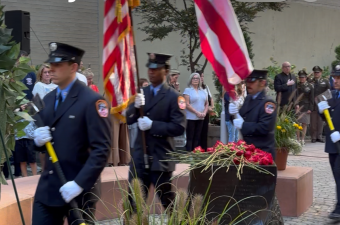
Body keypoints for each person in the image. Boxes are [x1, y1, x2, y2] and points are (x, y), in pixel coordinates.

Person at [31, 42, 111, 225]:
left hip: (78, 192)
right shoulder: (49, 99)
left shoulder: (93, 101)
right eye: (51, 65)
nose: (52, 69)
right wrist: (37, 140)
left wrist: (79, 183)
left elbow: (102, 149)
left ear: (73, 67)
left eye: (58, 65)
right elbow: (42, 142)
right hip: (49, 188)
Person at [126, 53, 186, 211]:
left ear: (165, 71)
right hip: (140, 157)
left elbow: (179, 127)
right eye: (149, 68)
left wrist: (153, 125)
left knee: (168, 202)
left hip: (160, 158)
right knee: (133, 204)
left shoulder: (174, 97)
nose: (151, 72)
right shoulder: (142, 93)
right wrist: (135, 106)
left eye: (156, 69)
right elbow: (129, 118)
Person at [229, 69, 277, 160]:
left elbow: (264, 127)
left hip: (262, 152)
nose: (248, 84)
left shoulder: (268, 103)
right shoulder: (249, 98)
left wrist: (243, 125)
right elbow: (240, 119)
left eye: (252, 81)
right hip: (248, 150)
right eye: (247, 81)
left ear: (262, 83)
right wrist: (233, 114)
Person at [317, 64, 340, 220]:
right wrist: (322, 112)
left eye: (339, 78)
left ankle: (339, 208)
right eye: (334, 78)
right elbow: (329, 118)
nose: (335, 81)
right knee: (336, 175)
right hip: (333, 144)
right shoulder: (333, 95)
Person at [183, 72, 208, 152]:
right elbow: (187, 104)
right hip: (191, 117)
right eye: (194, 78)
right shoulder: (188, 90)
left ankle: (195, 154)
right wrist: (196, 112)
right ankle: (188, 155)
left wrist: (204, 112)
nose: (195, 80)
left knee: (197, 137)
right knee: (190, 137)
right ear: (191, 80)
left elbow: (207, 103)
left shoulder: (203, 91)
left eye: (197, 78)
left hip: (201, 117)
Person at [309, 66, 330, 143]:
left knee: (321, 121)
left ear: (321, 73)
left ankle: (319, 136)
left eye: (318, 72)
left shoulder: (325, 81)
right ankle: (313, 137)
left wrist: (326, 101)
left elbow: (329, 92)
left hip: (322, 103)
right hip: (313, 104)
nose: (316, 73)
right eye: (315, 72)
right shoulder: (310, 81)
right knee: (313, 121)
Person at [296, 70, 314, 145]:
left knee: (304, 124)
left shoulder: (310, 86)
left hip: (306, 106)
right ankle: (297, 139)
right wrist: (295, 104)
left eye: (303, 77)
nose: (301, 79)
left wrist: (310, 108)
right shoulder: (297, 85)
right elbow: (295, 96)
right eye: (300, 77)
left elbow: (312, 98)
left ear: (306, 77)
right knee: (297, 123)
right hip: (298, 106)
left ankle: (303, 139)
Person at [199, 71, 214, 149]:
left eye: (203, 76)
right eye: (200, 76)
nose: (202, 78)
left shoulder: (206, 87)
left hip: (206, 112)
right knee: (199, 131)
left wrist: (212, 106)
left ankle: (204, 148)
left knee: (205, 131)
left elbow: (210, 98)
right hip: (199, 112)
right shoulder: (196, 88)